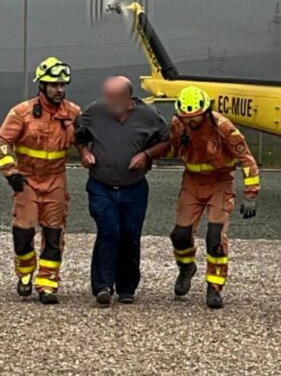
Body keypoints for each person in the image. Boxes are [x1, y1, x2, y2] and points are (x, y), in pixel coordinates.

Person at [75, 76, 170, 306]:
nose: (108, 102)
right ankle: (102, 286)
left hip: (134, 188)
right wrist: (84, 153)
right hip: (101, 185)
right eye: (106, 96)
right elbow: (78, 135)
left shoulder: (149, 115)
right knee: (109, 231)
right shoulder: (94, 112)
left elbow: (166, 141)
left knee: (130, 235)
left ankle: (127, 287)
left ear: (128, 98)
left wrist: (146, 155)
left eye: (113, 98)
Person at [168, 86, 259, 309]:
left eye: (195, 118)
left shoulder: (223, 128)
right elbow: (171, 148)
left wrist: (251, 194)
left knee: (215, 238)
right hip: (192, 182)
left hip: (220, 182)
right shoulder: (178, 125)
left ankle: (215, 286)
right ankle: (186, 267)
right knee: (180, 235)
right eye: (186, 118)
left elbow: (246, 159)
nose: (191, 123)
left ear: (205, 111)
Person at [0, 57, 80, 304]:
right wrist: (10, 171)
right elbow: (2, 142)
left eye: (62, 85)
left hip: (56, 178)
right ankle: (25, 273)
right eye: (54, 85)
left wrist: (87, 144)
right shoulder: (21, 113)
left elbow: (87, 143)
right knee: (23, 232)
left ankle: (48, 284)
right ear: (42, 86)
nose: (59, 90)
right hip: (26, 179)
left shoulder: (74, 113)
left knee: (54, 234)